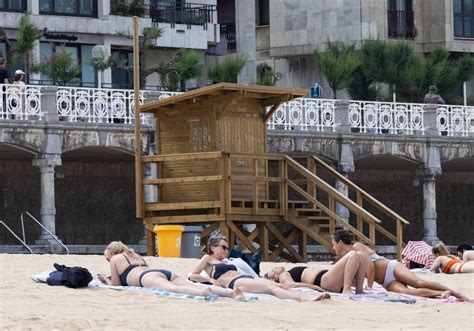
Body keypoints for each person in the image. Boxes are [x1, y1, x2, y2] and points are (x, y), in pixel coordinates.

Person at [331, 230, 468, 299]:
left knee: (419, 283)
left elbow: (370, 266)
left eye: (333, 244)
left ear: (340, 243)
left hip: (391, 267)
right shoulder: (348, 258)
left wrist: (370, 286)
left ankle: (457, 293)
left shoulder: (357, 246)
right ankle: (443, 293)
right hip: (385, 281)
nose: (333, 248)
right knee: (407, 292)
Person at [190, 236, 330, 301]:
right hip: (235, 283)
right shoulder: (207, 259)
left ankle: (310, 295)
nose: (226, 250)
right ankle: (303, 299)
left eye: (227, 248)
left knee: (281, 285)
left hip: (245, 278)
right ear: (213, 247)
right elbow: (193, 275)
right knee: (273, 289)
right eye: (223, 247)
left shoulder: (226, 260)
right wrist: (210, 280)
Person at [97, 241, 246, 300]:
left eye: (107, 259)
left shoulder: (115, 259)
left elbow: (116, 285)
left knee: (175, 289)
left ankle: (203, 293)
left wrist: (105, 279)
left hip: (146, 278)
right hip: (161, 271)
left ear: (111, 254)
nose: (108, 261)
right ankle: (232, 293)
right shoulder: (135, 255)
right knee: (192, 285)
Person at [263, 249, 369, 294]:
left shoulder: (288, 272)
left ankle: (359, 290)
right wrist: (315, 287)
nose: (274, 268)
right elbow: (291, 285)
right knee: (352, 255)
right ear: (275, 278)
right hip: (323, 281)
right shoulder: (283, 275)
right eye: (272, 271)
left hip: (327, 278)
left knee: (360, 255)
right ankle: (346, 289)